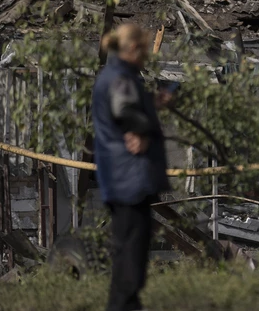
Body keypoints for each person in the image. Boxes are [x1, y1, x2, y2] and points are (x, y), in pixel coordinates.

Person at [92, 23, 176, 311]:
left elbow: (127, 104)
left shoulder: (118, 76)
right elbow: (125, 111)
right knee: (132, 256)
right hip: (130, 178)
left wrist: (151, 103)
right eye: (143, 50)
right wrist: (139, 128)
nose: (145, 58)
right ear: (131, 49)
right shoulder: (119, 78)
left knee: (129, 252)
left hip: (121, 178)